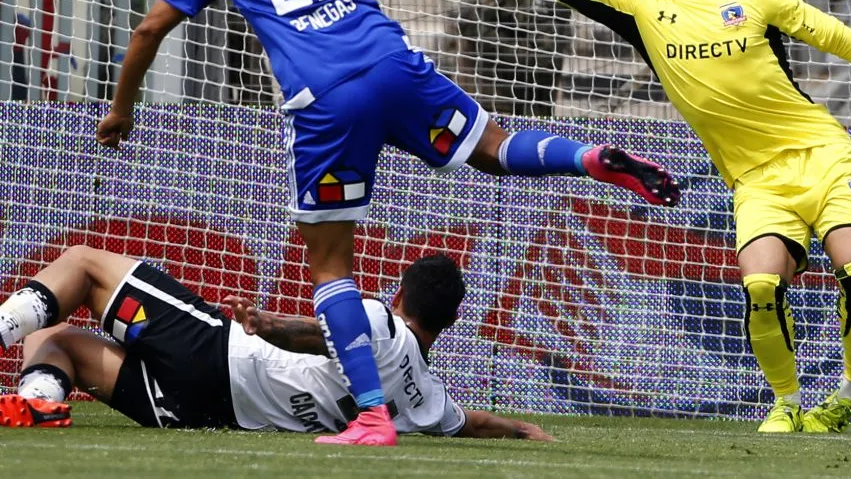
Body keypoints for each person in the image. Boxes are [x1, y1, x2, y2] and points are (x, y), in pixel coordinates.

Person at [95, 0, 678, 446]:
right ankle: (590, 157)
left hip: (326, 103)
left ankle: (372, 415)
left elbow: (149, 29)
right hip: (394, 69)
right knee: (497, 150)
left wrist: (121, 110)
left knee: (331, 270)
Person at [423, 0, 851, 433]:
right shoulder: (644, 6)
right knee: (761, 289)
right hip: (755, 180)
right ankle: (786, 402)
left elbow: (840, 39)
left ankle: (850, 393)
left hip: (823, 155)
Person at [0, 245, 553, 441]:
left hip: (217, 354)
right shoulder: (427, 398)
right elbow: (472, 423)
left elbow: (319, 336)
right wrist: (523, 430)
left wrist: (267, 325)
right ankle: (39, 401)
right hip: (200, 413)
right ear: (451, 322)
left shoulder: (380, 321)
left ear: (400, 293)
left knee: (83, 265)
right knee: (55, 338)